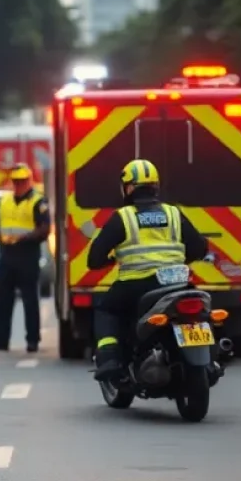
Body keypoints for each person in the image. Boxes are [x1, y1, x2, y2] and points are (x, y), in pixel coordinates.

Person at [87, 158, 209, 380]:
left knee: (106, 310)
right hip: (177, 283)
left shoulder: (123, 217)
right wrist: (181, 259)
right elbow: (199, 247)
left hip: (137, 285)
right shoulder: (173, 213)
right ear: (155, 186)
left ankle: (110, 358)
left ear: (129, 188)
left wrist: (112, 260)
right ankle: (210, 359)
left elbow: (94, 259)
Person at [0, 164, 51, 353]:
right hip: (7, 255)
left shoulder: (38, 202)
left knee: (30, 300)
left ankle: (32, 341)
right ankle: (1, 340)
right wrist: (0, 238)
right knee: (2, 299)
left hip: (27, 255)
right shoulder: (4, 201)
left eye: (21, 181)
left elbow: (45, 229)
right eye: (15, 181)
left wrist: (24, 238)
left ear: (28, 181)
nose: (18, 184)